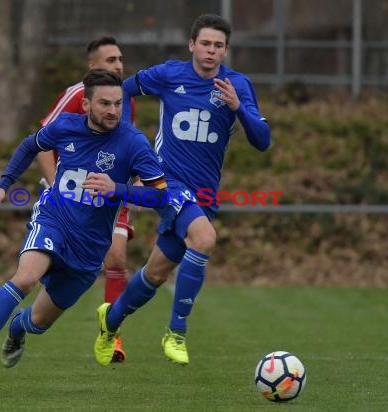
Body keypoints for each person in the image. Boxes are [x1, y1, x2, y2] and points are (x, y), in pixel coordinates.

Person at [0, 69, 167, 389]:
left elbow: (161, 193)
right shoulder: (65, 127)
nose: (113, 111)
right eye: (105, 104)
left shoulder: (132, 142)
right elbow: (29, 146)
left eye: (118, 104)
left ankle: (17, 329)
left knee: (39, 322)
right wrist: (4, 185)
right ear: (86, 106)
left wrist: (119, 189)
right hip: (55, 219)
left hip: (90, 248)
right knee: (25, 277)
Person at [93, 14, 271, 366]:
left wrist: (238, 108)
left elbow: (263, 141)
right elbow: (121, 91)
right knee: (204, 239)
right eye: (205, 43)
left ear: (226, 50)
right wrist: (126, 141)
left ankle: (109, 321)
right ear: (192, 44)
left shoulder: (237, 84)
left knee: (155, 273)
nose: (210, 51)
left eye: (218, 46)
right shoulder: (169, 74)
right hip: (167, 183)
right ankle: (176, 331)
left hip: (204, 195)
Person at [38, 36, 136, 362]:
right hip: (71, 193)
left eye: (120, 59)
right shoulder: (75, 94)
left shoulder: (123, 100)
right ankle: (31, 314)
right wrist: (56, 188)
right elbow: (40, 141)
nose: (119, 65)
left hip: (110, 195)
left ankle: (112, 334)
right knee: (53, 267)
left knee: (118, 257)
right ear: (92, 67)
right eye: (111, 60)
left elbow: (126, 146)